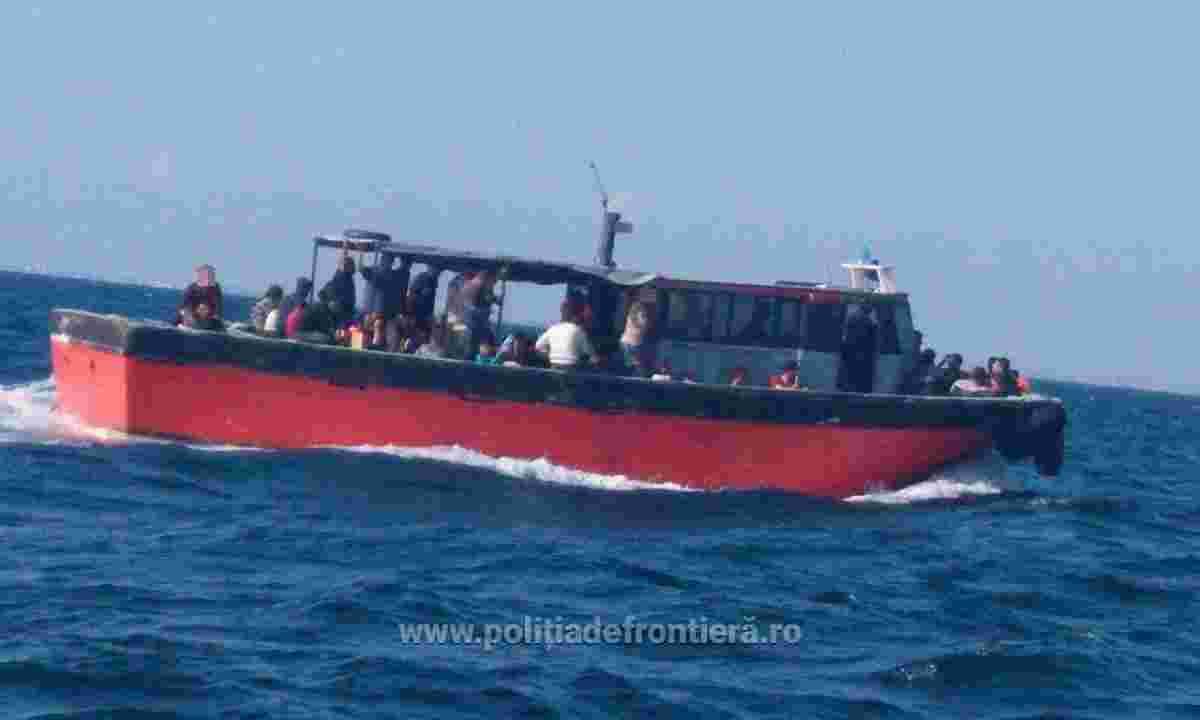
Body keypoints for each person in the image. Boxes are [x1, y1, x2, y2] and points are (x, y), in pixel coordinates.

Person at [535, 300, 597, 370]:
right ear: (574, 315)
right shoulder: (578, 330)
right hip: (572, 370)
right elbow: (592, 356)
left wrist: (551, 355)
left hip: (554, 369)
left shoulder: (552, 329)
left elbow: (538, 347)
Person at [359, 254, 412, 321]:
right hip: (375, 310)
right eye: (387, 260)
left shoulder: (392, 275)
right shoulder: (377, 271)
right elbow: (363, 270)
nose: (388, 263)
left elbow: (366, 273)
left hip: (382, 311)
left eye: (389, 261)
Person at [840, 304, 877, 393]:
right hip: (862, 356)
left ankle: (847, 389)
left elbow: (845, 337)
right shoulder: (870, 322)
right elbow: (872, 342)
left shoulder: (851, 319)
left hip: (850, 353)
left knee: (849, 376)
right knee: (859, 379)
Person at [321, 249, 357, 327]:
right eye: (352, 265)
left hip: (345, 310)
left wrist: (345, 250)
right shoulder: (341, 276)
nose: (354, 267)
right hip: (341, 311)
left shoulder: (346, 276)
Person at [620, 300, 654, 378]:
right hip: (628, 346)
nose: (646, 319)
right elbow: (642, 324)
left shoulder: (637, 317)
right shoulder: (634, 318)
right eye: (643, 316)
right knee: (634, 371)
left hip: (634, 346)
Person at [407, 265, 442, 335]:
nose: (438, 274)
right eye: (437, 270)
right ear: (430, 268)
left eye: (439, 272)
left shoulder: (433, 281)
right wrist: (411, 315)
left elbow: (431, 301)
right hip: (416, 314)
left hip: (425, 315)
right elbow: (411, 295)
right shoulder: (421, 278)